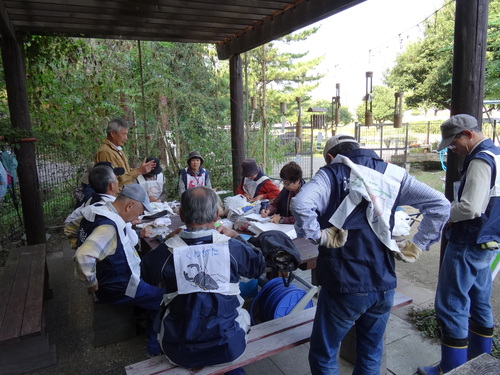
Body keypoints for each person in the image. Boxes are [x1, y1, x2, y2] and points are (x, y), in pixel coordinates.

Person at [290, 134, 450, 375]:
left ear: (332, 157)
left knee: (324, 354)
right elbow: (441, 205)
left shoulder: (330, 175)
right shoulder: (394, 175)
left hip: (343, 283)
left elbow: (301, 204)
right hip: (383, 283)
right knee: (371, 352)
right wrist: (418, 243)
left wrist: (319, 236)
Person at [140, 187, 266, 373]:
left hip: (179, 348)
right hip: (229, 346)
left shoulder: (166, 252)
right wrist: (237, 237)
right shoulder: (231, 247)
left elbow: (147, 274)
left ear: (181, 215)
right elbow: (258, 266)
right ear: (216, 216)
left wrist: (167, 239)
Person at [417, 114, 500, 375]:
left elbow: (471, 207)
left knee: (451, 305)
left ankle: (450, 369)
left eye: (454, 143)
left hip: (467, 240)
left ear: (468, 134)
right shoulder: (497, 154)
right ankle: (479, 363)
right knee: (480, 302)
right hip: (488, 240)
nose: (453, 149)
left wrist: (446, 214)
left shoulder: (480, 159)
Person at [74, 184, 164, 357]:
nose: (138, 217)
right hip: (118, 285)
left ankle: (141, 312)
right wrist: (90, 282)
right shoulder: (108, 228)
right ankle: (154, 347)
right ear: (129, 205)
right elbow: (83, 256)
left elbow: (70, 229)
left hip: (109, 275)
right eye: (139, 212)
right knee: (164, 299)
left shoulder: (97, 209)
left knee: (151, 266)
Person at [94, 117, 157, 187]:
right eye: (123, 134)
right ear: (113, 133)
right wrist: (138, 171)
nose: (126, 138)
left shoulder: (117, 149)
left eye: (126, 134)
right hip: (116, 196)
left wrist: (140, 169)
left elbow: (126, 173)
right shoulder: (106, 152)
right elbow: (115, 181)